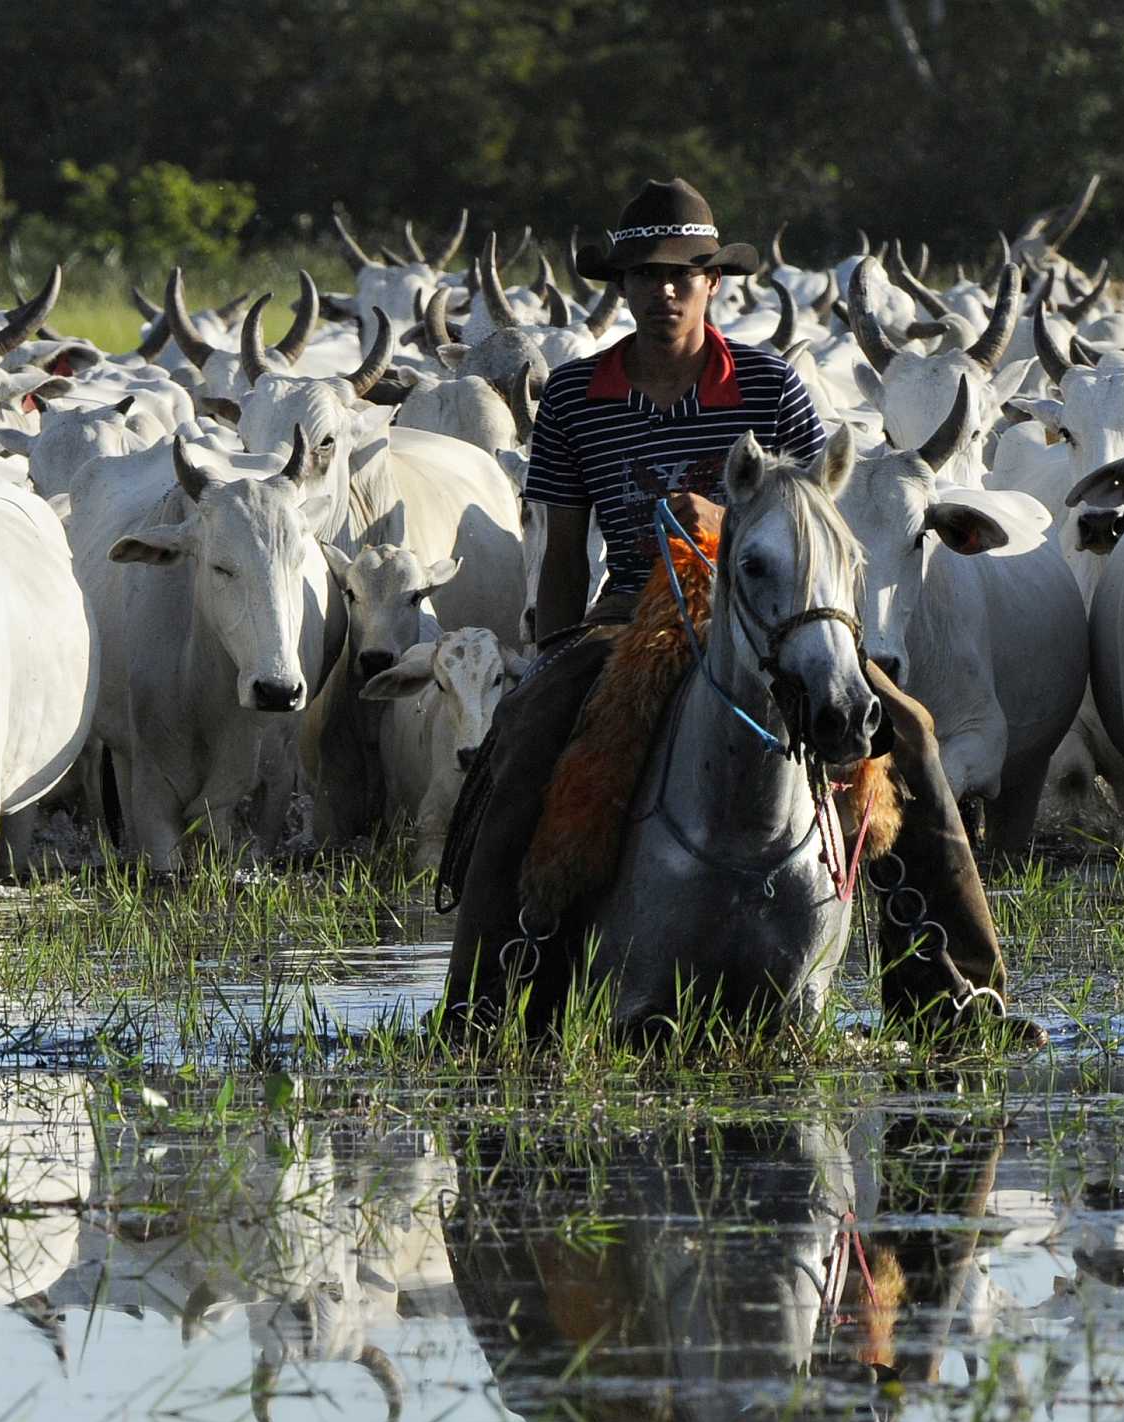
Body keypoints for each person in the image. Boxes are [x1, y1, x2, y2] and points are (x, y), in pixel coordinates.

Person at [437, 177, 1022, 1043]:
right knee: (526, 738)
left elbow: (814, 519)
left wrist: (746, 553)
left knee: (914, 738)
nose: (664, 289)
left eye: (684, 272)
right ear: (622, 286)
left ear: (715, 282)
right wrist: (558, 656)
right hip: (626, 614)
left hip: (772, 611)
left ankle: (955, 988)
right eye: (644, 273)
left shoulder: (769, 386)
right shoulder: (570, 398)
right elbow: (563, 547)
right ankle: (488, 995)